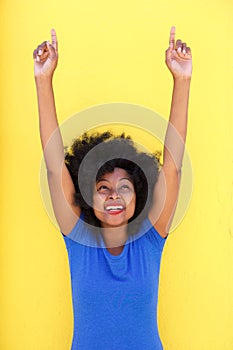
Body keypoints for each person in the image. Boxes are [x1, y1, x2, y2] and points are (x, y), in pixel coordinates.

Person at [33, 26, 192, 350]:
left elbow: (172, 167)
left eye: (124, 187)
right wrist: (43, 80)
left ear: (140, 195)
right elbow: (53, 167)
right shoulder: (79, 240)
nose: (113, 195)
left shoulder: (150, 240)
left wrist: (182, 80)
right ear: (87, 197)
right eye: (103, 187)